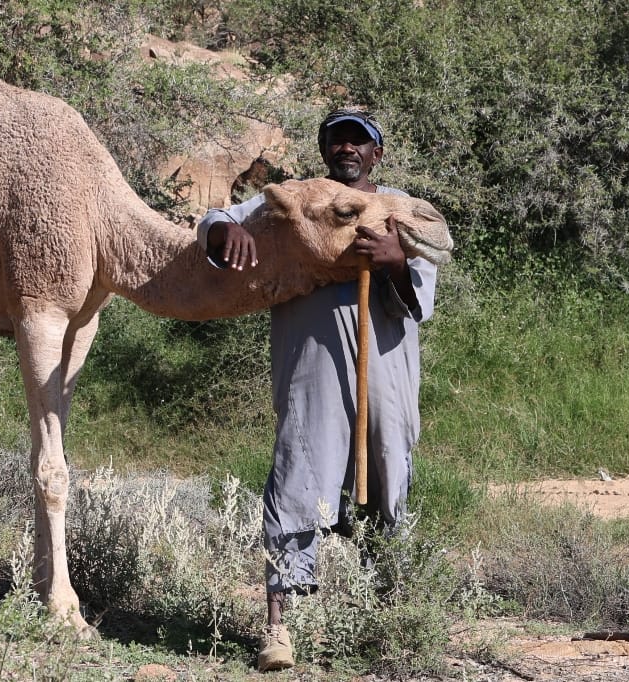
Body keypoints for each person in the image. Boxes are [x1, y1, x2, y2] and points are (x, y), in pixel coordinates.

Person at [196, 108, 438, 672]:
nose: (347, 148)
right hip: (310, 370)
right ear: (325, 150)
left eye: (360, 141)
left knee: (389, 480)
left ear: (378, 154)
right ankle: (279, 628)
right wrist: (222, 229)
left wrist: (395, 263)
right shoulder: (293, 203)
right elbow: (214, 219)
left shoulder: (400, 209)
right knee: (298, 477)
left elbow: (420, 297)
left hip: (387, 372)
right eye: (337, 140)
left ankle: (390, 618)